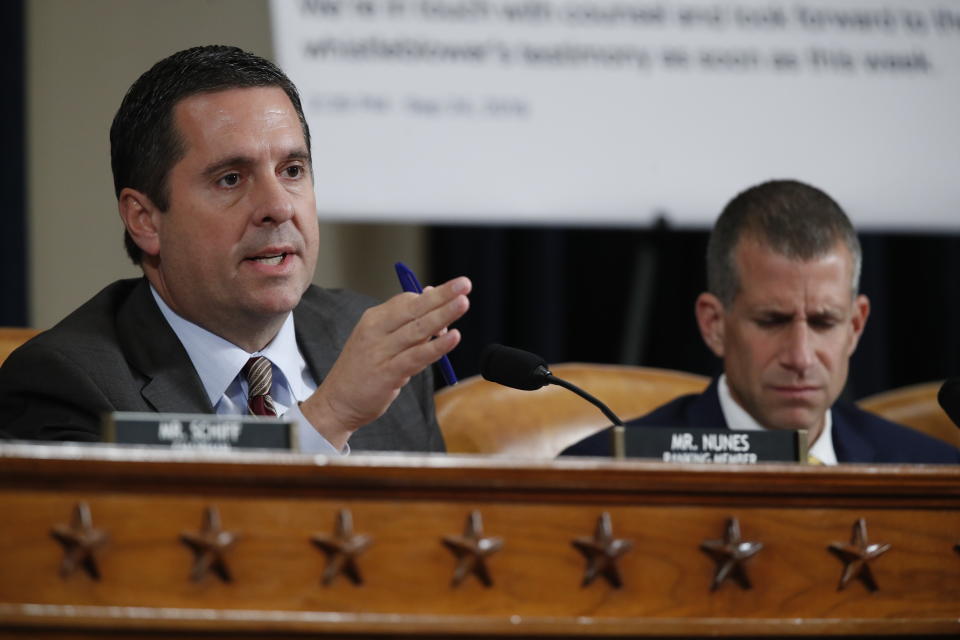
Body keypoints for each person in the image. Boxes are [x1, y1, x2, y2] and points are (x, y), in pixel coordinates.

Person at [0, 45, 471, 454]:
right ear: (145, 220)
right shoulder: (68, 384)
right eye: (230, 179)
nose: (277, 207)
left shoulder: (374, 343)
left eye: (292, 171)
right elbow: (155, 553)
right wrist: (328, 417)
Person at [564, 179, 959, 464]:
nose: (801, 357)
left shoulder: (933, 475)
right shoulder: (605, 470)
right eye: (772, 321)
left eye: (824, 322)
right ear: (714, 324)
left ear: (855, 326)